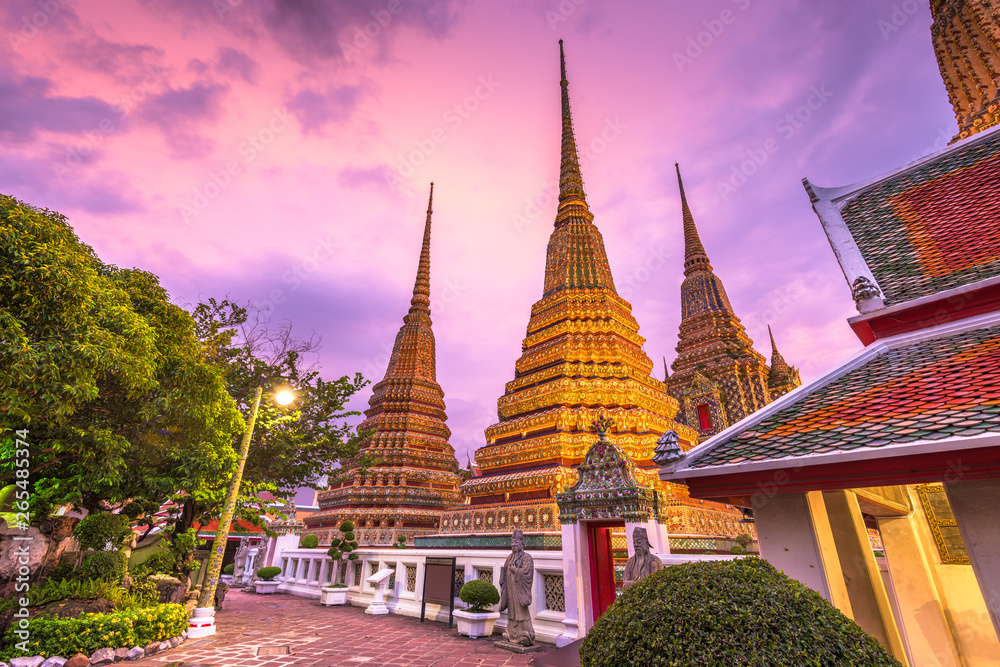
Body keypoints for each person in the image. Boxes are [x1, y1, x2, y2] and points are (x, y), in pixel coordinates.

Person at [499, 529, 535, 646]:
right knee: (512, 611)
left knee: (520, 612)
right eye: (512, 543)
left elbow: (527, 573)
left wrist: (516, 571)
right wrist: (502, 579)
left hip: (519, 591)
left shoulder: (527, 558)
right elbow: (504, 570)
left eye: (516, 543)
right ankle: (511, 633)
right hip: (510, 589)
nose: (513, 545)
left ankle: (526, 634)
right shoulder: (509, 558)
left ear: (521, 543)